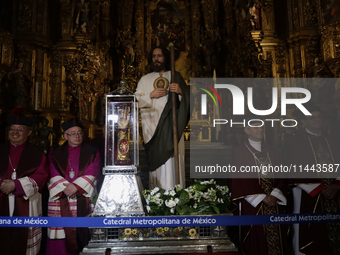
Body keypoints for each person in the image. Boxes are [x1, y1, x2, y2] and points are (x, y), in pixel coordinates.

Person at [285, 103, 340, 255]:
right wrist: (319, 188)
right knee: (310, 233)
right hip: (308, 194)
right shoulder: (296, 142)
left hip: (334, 194)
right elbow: (293, 169)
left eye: (319, 117)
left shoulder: (332, 140)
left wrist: (336, 184)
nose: (318, 120)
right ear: (303, 122)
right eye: (312, 118)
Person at [135, 46, 190, 189]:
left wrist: (180, 92)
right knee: (158, 169)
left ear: (165, 57)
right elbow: (134, 101)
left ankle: (177, 196)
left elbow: (189, 101)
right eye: (154, 56)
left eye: (159, 56)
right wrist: (151, 95)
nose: (156, 59)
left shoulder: (175, 76)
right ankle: (157, 200)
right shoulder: (145, 79)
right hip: (153, 132)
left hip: (172, 130)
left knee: (174, 162)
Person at [230, 118, 287, 255]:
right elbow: (238, 176)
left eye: (261, 126)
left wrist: (275, 194)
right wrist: (261, 197)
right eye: (255, 127)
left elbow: (282, 173)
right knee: (256, 240)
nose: (260, 129)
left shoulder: (272, 151)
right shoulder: (239, 151)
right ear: (246, 131)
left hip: (274, 202)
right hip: (253, 204)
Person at [46, 118, 100, 255]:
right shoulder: (55, 152)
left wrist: (76, 186)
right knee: (60, 236)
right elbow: (51, 171)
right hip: (61, 195)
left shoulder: (92, 151)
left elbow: (94, 170)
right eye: (73, 133)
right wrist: (66, 187)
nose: (77, 136)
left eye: (80, 133)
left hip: (82, 196)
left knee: (84, 232)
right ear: (65, 136)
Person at [0, 107, 48, 255]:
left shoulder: (37, 154)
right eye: (12, 128)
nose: (15, 131)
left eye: (20, 129)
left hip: (26, 203)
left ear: (29, 132)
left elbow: (42, 175)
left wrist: (15, 185)